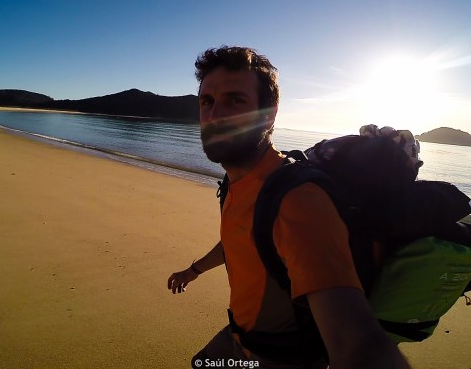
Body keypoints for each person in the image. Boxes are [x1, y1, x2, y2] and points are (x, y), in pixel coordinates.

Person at [167, 46, 411, 369]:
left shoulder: (297, 201)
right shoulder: (236, 183)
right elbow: (241, 240)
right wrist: (193, 270)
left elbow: (357, 344)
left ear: (268, 114)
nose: (215, 115)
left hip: (276, 358)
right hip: (240, 339)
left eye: (235, 100)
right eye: (207, 102)